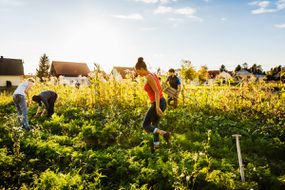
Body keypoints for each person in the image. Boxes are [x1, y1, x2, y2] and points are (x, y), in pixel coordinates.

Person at [135, 57, 171, 151]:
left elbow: (157, 92)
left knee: (145, 125)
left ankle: (164, 133)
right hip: (161, 101)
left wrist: (157, 107)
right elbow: (158, 89)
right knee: (154, 126)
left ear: (142, 69)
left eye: (138, 71)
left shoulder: (149, 77)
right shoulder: (153, 74)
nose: (138, 74)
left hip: (158, 103)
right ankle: (157, 148)